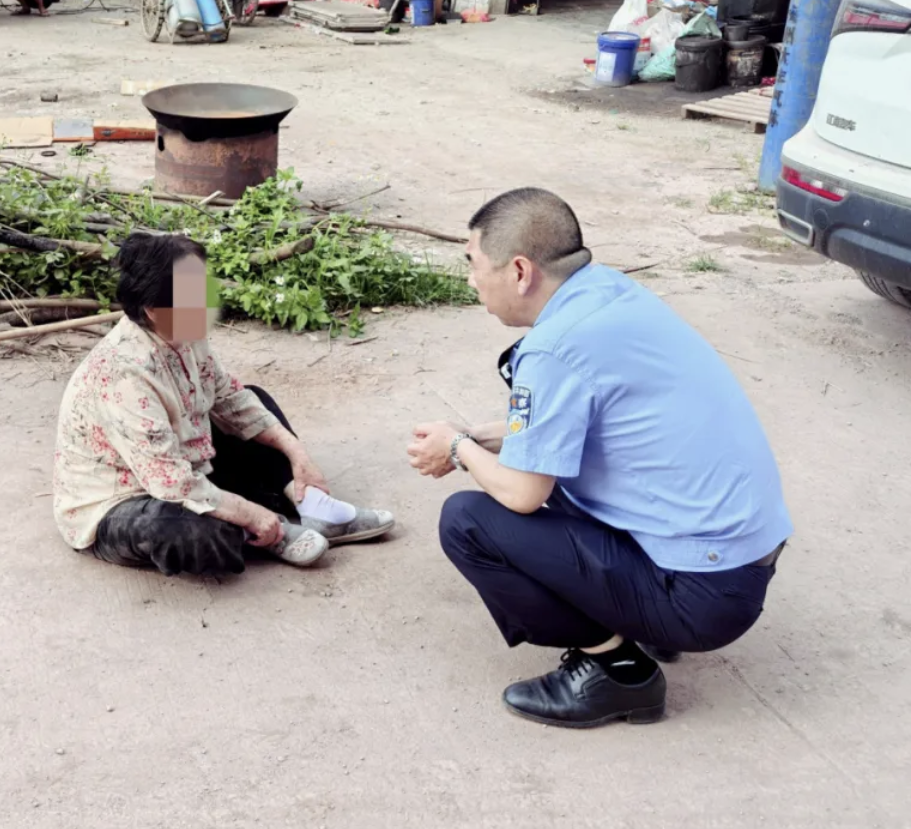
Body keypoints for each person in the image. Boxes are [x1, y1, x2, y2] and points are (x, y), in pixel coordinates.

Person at [407, 188, 793, 728]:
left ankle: (619, 670)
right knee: (555, 472)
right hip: (738, 561)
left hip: (703, 596)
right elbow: (556, 432)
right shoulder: (607, 293)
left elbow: (523, 493)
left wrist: (457, 448)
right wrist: (475, 436)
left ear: (519, 271)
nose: (471, 280)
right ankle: (647, 620)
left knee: (468, 522)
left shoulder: (554, 347)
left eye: (473, 264)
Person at [53, 232, 394, 577]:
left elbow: (231, 398)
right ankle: (265, 529)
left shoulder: (185, 332)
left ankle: (314, 507)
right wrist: (249, 513)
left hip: (182, 460)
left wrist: (297, 453)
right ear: (153, 310)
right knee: (185, 531)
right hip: (125, 499)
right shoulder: (122, 375)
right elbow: (171, 484)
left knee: (253, 401)